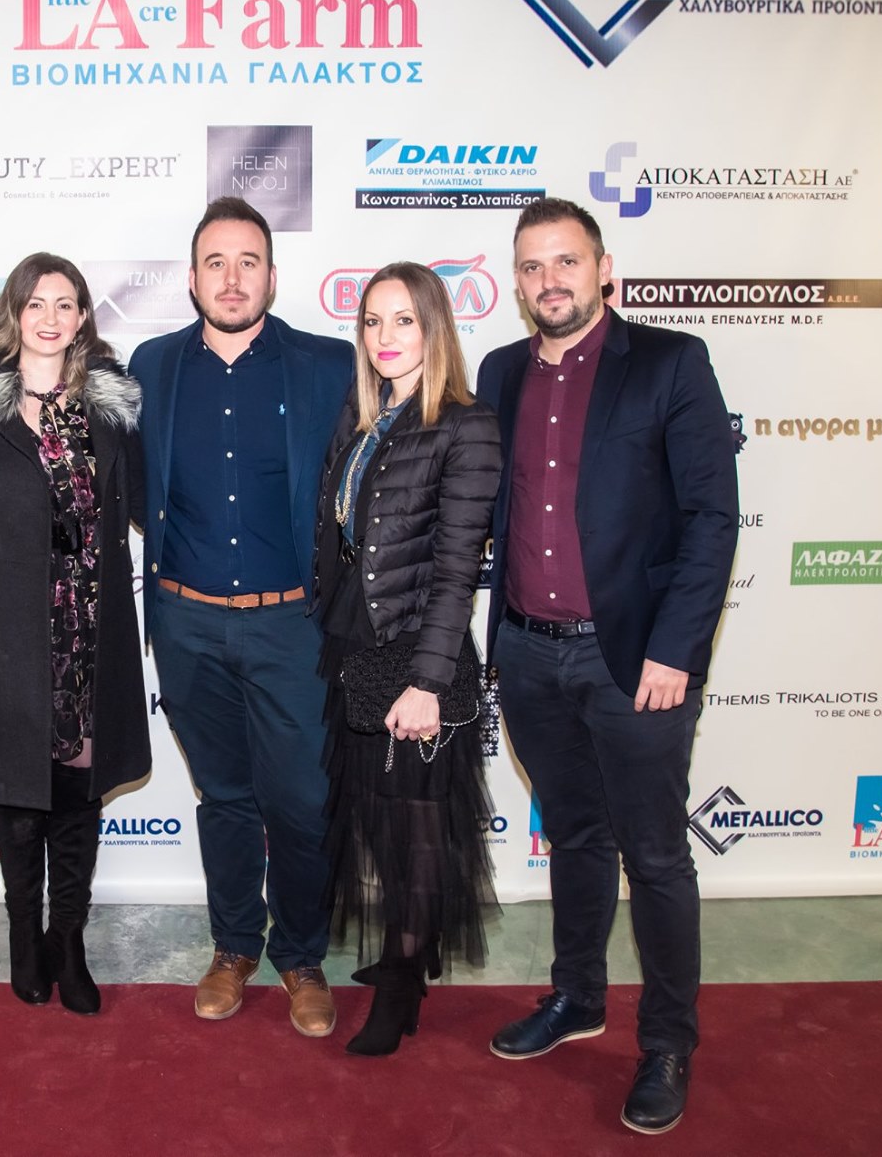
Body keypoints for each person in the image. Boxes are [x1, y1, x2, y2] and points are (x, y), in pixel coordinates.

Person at [478, 198, 738, 1135]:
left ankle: (667, 1043)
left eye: (566, 261)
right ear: (517, 283)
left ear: (603, 269)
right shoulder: (501, 373)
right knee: (576, 837)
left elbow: (711, 518)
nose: (550, 280)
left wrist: (675, 649)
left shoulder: (670, 362)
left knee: (657, 856)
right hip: (527, 652)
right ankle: (577, 996)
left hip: (633, 660)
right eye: (532, 266)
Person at [128, 196, 355, 1037]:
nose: (231, 279)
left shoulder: (328, 366)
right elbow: (130, 486)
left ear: (272, 275)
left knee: (300, 800)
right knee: (224, 795)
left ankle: (301, 955)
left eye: (247, 262)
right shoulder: (151, 366)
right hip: (186, 623)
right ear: (192, 280)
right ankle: (233, 947)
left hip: (292, 625)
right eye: (216, 264)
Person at [0, 253, 149, 1015]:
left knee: (79, 794)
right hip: (5, 628)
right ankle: (25, 935)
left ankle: (68, 940)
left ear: (83, 318)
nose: (50, 318)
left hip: (90, 629)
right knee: (19, 796)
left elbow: (146, 503)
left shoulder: (111, 407)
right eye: (36, 303)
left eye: (66, 304)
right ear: (14, 313)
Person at [311, 263, 502, 1056]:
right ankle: (407, 954)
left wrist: (427, 681)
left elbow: (457, 569)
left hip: (420, 657)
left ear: (435, 329)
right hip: (357, 647)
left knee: (419, 828)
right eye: (372, 321)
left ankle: (400, 985)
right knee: (379, 824)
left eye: (404, 321)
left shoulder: (465, 424)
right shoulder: (364, 419)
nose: (385, 337)